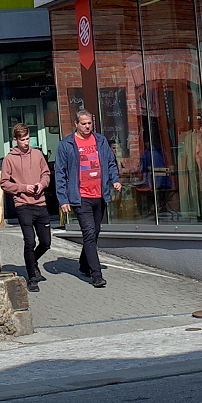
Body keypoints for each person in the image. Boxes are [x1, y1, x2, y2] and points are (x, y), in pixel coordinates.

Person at [54, 109, 121, 287]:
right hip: (80, 196)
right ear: (76, 124)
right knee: (89, 232)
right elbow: (60, 173)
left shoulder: (100, 141)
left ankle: (84, 264)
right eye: (83, 123)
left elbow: (110, 163)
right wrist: (63, 200)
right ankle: (96, 274)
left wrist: (115, 180)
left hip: (99, 195)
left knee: (95, 232)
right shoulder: (67, 144)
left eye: (89, 123)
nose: (87, 126)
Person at [0, 124, 53, 291]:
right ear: (15, 140)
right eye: (22, 140)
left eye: (28, 139)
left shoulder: (37, 154)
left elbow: (46, 174)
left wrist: (41, 184)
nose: (26, 142)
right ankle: (32, 277)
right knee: (29, 241)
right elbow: (4, 183)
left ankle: (32, 260)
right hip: (23, 205)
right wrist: (23, 188)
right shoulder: (9, 159)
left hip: (40, 203)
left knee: (45, 242)